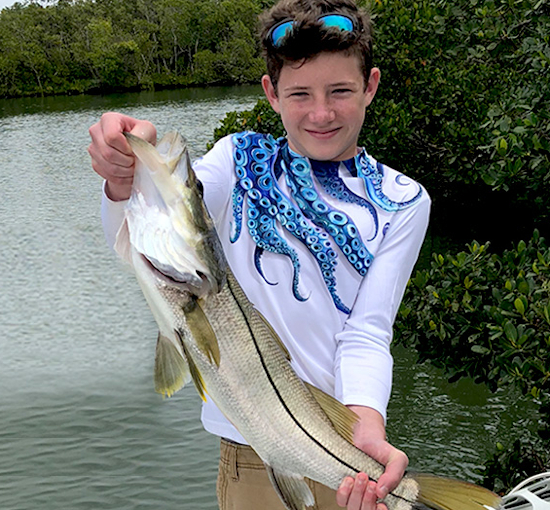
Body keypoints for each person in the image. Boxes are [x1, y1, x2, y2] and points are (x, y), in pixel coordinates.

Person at [88, 0, 431, 509]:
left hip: (346, 444)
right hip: (250, 454)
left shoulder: (405, 200)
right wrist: (124, 177)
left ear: (371, 86)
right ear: (271, 93)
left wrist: (366, 424)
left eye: (340, 90)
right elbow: (161, 221)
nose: (321, 112)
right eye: (300, 93)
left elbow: (368, 331)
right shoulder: (237, 158)